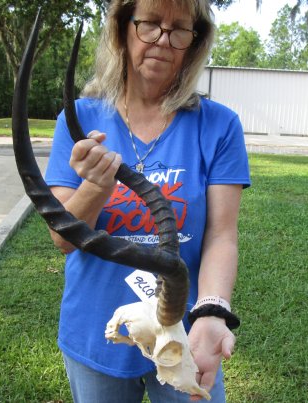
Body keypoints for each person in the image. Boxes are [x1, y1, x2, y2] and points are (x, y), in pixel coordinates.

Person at [44, 0, 251, 402]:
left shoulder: (219, 125)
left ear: (194, 42)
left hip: (182, 332)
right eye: (150, 24)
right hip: (97, 331)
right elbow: (63, 239)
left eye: (179, 29)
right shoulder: (79, 118)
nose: (163, 40)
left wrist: (211, 312)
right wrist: (96, 187)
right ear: (123, 29)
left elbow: (221, 234)